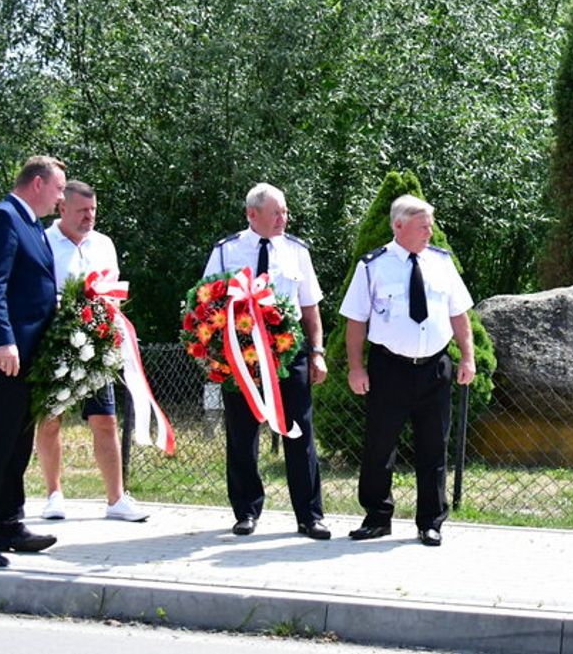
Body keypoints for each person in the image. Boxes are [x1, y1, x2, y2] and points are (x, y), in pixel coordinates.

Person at [340, 194, 476, 547]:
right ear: (398, 226)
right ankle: (377, 517)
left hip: (435, 367)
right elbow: (355, 321)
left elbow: (459, 314)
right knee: (379, 446)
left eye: (430, 225)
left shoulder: (442, 263)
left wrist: (467, 358)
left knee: (434, 447)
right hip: (389, 368)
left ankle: (430, 522)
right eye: (423, 226)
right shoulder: (373, 266)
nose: (430, 232)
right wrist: (356, 368)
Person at [203, 183, 330, 538]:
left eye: (285, 211)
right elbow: (206, 301)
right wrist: (214, 353)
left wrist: (317, 352)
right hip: (240, 358)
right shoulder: (227, 250)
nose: (283, 218)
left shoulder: (296, 251)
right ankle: (246, 511)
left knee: (299, 434)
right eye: (276, 213)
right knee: (242, 435)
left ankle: (309, 516)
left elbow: (310, 307)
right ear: (252, 214)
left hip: (289, 355)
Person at [35, 181, 149, 522]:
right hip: (54, 343)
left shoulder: (104, 244)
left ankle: (116, 499)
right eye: (83, 210)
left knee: (106, 420)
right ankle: (54, 494)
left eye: (94, 210)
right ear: (62, 209)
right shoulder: (42, 240)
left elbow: (113, 290)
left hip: (97, 344)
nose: (90, 217)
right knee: (51, 420)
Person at [0, 155, 67, 568]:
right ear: (37, 184)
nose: (60, 198)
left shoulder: (32, 224)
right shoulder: (2, 218)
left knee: (17, 446)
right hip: (5, 358)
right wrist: (3, 341)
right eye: (58, 189)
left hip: (29, 358)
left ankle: (7, 523)